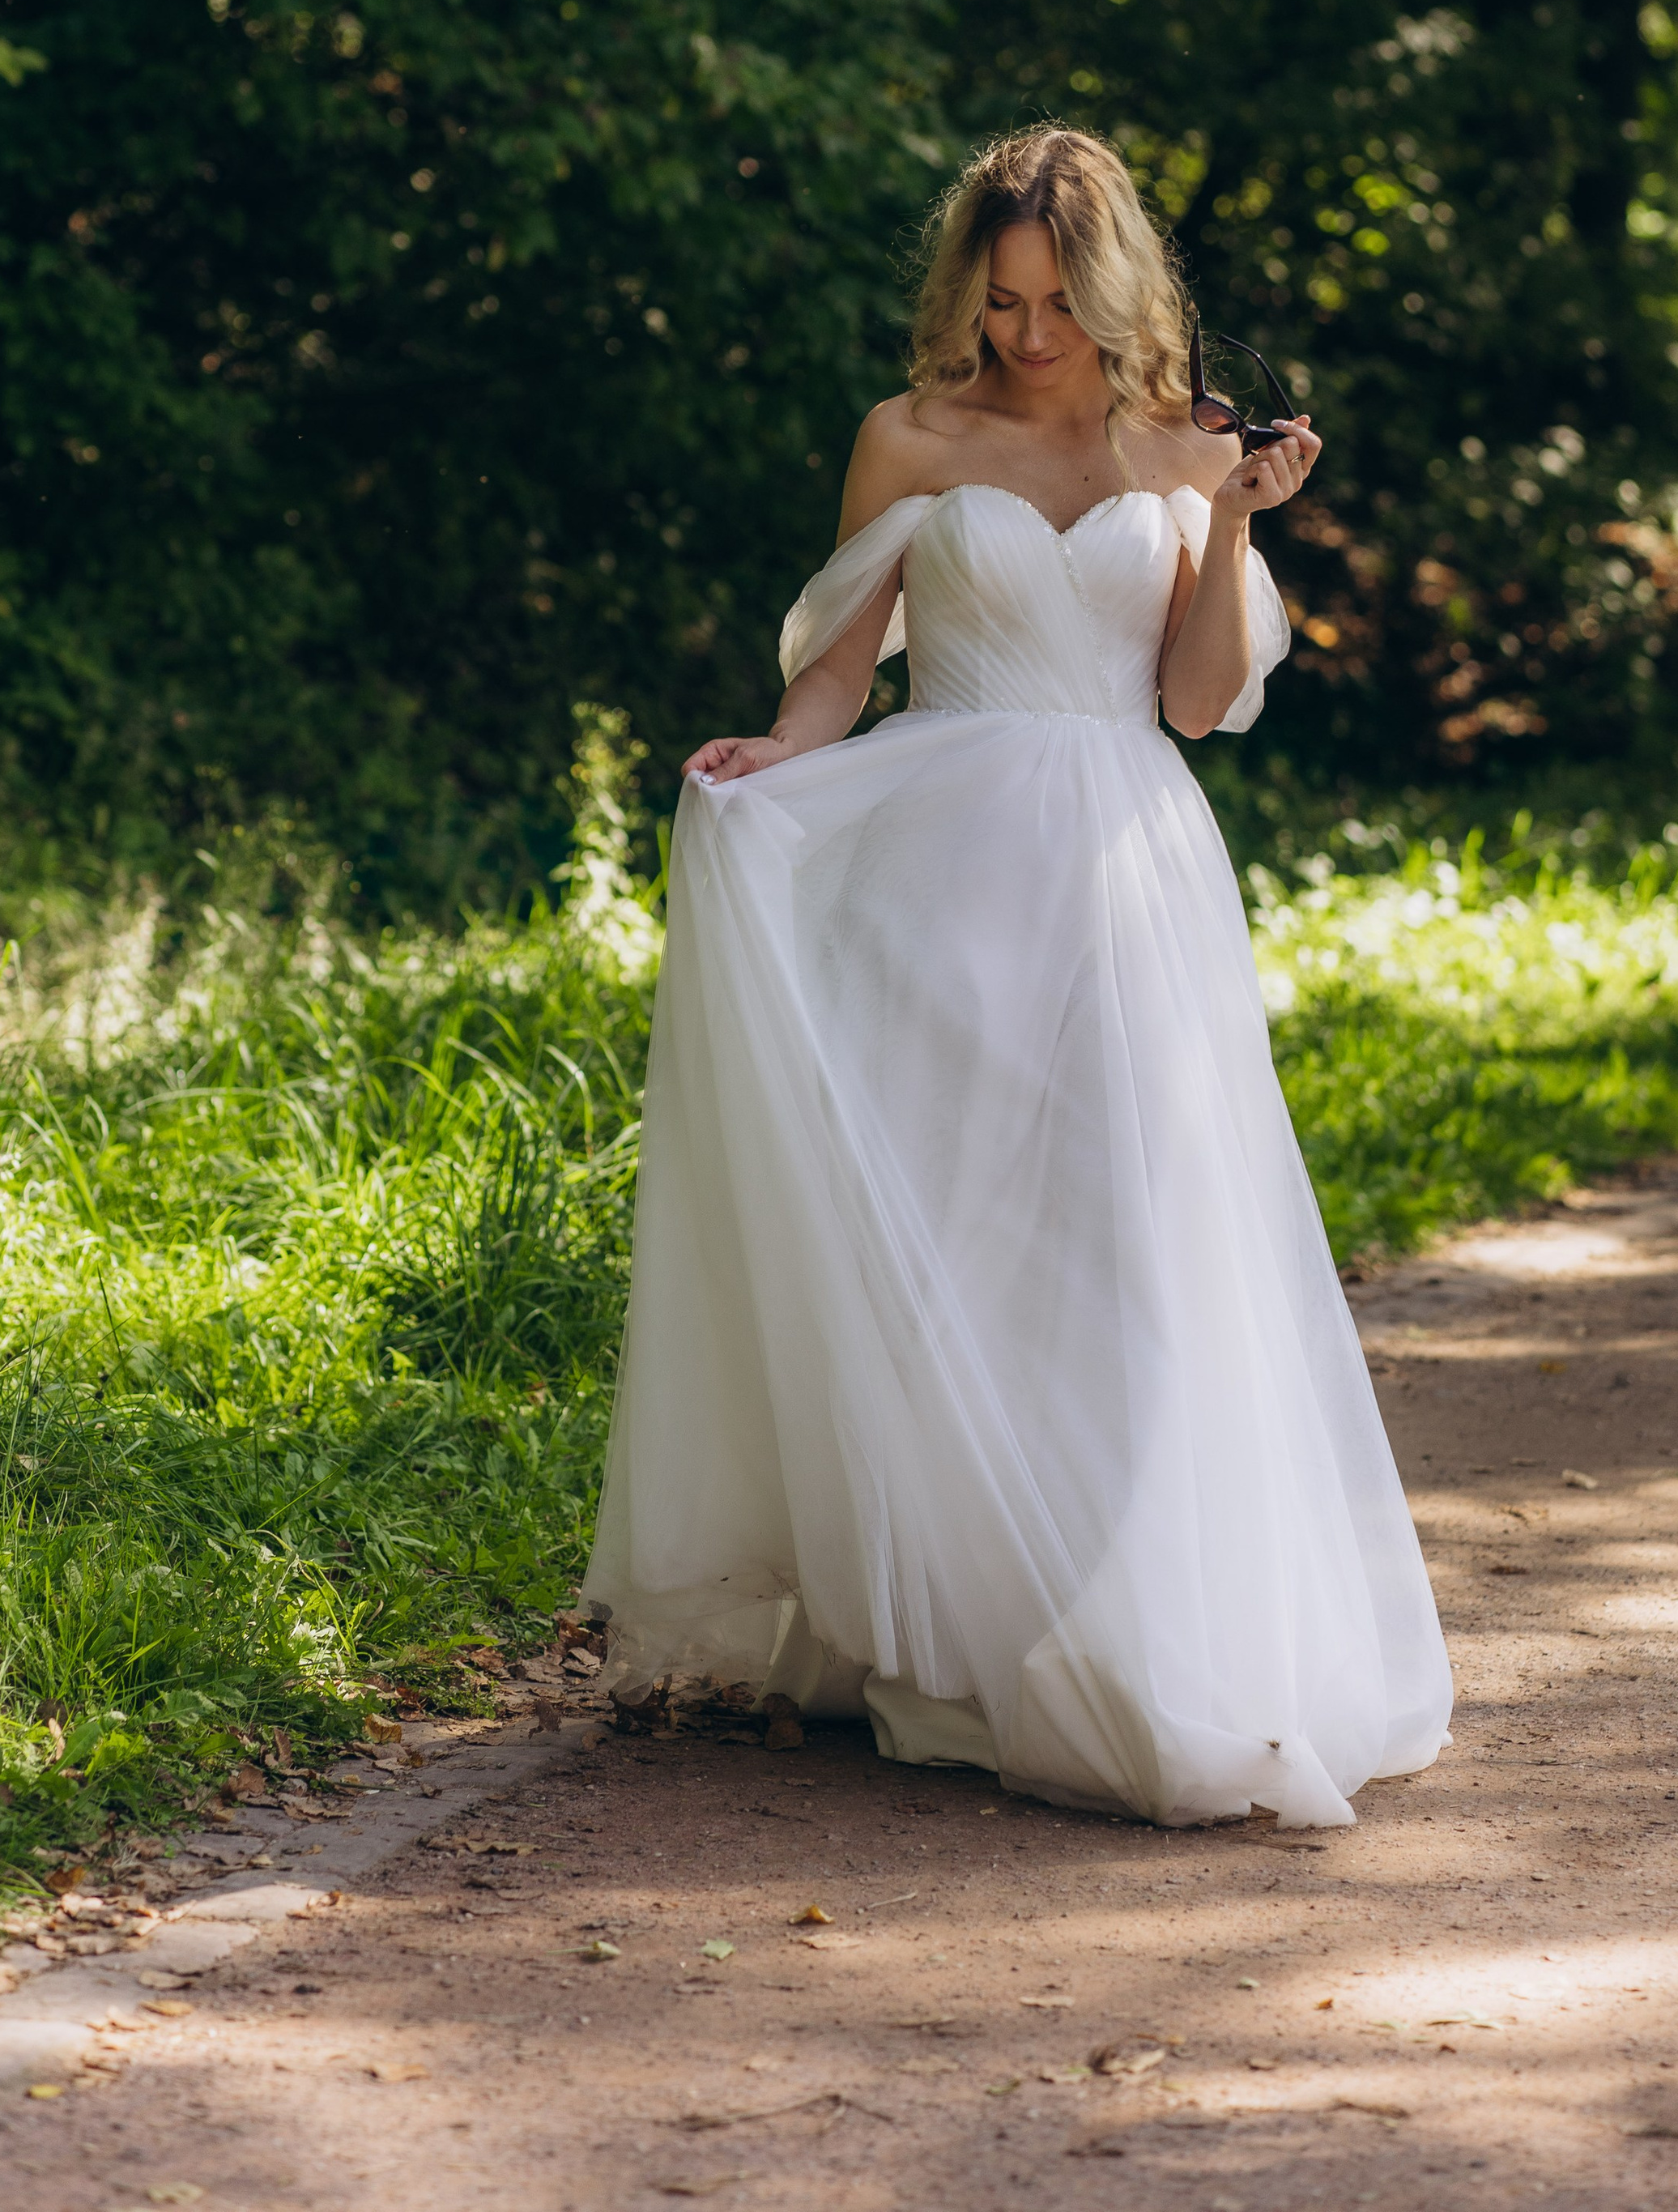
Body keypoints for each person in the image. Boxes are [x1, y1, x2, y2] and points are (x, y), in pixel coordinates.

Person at [585, 125, 1451, 1829]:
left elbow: (1196, 701)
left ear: (1108, 284)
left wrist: (1225, 522)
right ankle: (954, 1632)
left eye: (1053, 302)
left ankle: (1113, 1621)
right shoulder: (909, 434)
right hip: (933, 869)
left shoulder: (1170, 438)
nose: (1027, 337)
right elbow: (839, 663)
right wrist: (773, 752)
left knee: (1130, 1239)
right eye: (1000, 302)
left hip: (1122, 872)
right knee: (958, 1249)